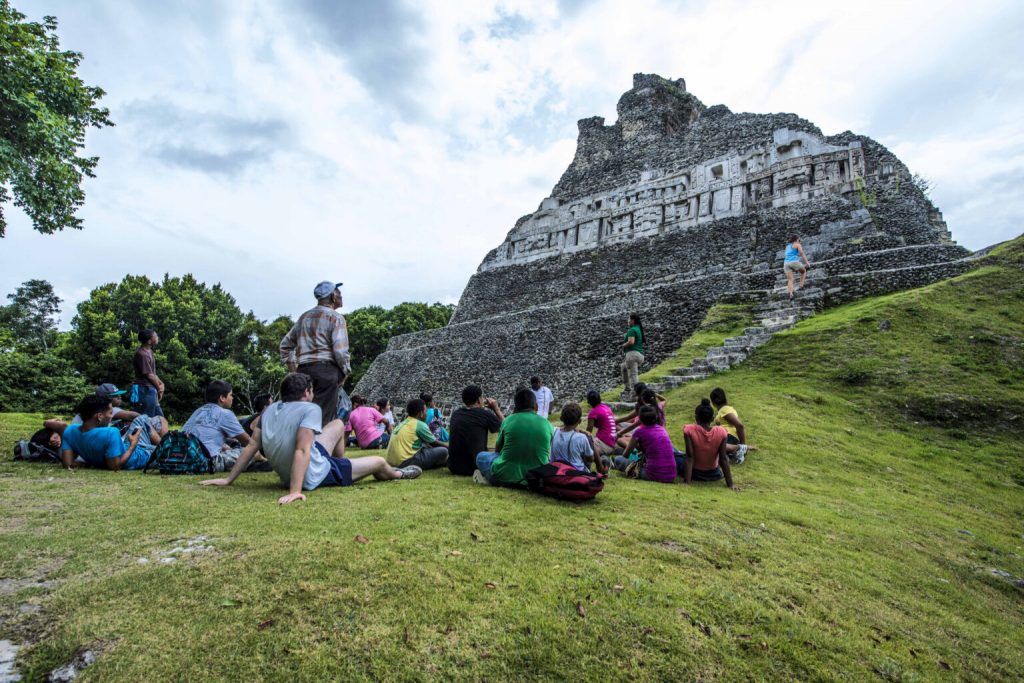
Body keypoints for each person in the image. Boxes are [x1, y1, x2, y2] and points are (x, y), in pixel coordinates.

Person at [200, 373, 421, 505]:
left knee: (336, 424)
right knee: (380, 463)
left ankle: (343, 465)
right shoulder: (310, 409)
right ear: (306, 392)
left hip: (304, 464)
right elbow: (302, 450)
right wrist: (295, 491)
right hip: (314, 473)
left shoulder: (269, 410)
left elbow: (250, 447)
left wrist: (229, 480)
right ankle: (399, 474)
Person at [279, 281, 351, 426]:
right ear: (332, 297)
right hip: (327, 371)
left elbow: (285, 346)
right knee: (322, 419)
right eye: (339, 294)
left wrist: (295, 372)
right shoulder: (336, 317)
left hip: (304, 370)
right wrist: (345, 371)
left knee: (302, 417)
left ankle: (301, 447)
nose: (341, 297)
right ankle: (317, 447)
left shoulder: (304, 317)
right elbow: (340, 351)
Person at [54, 394, 167, 470]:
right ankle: (167, 446)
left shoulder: (70, 431)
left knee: (141, 419)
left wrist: (90, 463)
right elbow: (115, 465)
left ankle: (166, 444)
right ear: (99, 416)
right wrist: (133, 444)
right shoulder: (110, 432)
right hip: (140, 455)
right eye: (110, 413)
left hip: (126, 447)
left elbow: (68, 464)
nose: (112, 416)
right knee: (171, 452)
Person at [474, 388, 553, 486]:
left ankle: (487, 478)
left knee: (480, 456)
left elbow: (497, 451)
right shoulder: (547, 424)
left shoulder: (508, 420)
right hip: (535, 479)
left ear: (515, 408)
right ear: (536, 406)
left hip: (504, 477)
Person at [182, 380, 251, 472]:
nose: (232, 398)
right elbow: (248, 441)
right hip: (204, 462)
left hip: (184, 457)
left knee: (227, 446)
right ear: (222, 398)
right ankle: (263, 462)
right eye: (231, 395)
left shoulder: (198, 411)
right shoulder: (225, 413)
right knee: (251, 452)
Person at [678, 399, 737, 490]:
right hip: (714, 474)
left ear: (696, 417)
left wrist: (687, 482)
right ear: (712, 418)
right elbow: (723, 458)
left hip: (695, 473)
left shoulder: (689, 430)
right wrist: (731, 484)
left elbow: (690, 457)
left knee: (674, 456)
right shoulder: (721, 432)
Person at [447, 385, 504, 476]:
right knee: (499, 454)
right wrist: (496, 409)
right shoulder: (485, 414)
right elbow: (507, 427)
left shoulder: (456, 414)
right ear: (479, 400)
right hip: (475, 466)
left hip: (454, 467)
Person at [611, 405, 676, 482]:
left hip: (654, 475)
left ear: (640, 419)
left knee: (619, 459)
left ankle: (612, 463)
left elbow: (625, 455)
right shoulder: (661, 429)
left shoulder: (640, 431)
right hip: (671, 475)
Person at [386, 398, 449, 470]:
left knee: (425, 446)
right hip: (405, 462)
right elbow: (434, 443)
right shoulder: (420, 424)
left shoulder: (404, 422)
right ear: (421, 413)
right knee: (443, 451)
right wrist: (452, 449)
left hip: (391, 463)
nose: (427, 413)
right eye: (425, 411)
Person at [551, 402, 605, 474]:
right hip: (575, 473)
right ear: (579, 421)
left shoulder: (553, 431)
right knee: (589, 439)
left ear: (561, 418)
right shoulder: (581, 437)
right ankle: (601, 468)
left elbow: (561, 428)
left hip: (555, 471)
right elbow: (590, 458)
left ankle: (601, 467)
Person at [709, 387, 756, 464]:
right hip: (729, 437)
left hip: (728, 436)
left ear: (713, 402)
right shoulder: (727, 409)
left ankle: (739, 448)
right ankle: (729, 453)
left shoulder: (725, 410)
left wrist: (742, 445)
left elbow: (739, 425)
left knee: (709, 446)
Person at [69, 383, 140, 426]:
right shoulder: (106, 408)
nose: (120, 397)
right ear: (106, 398)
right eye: (116, 395)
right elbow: (134, 416)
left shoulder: (91, 407)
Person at [131, 329, 165, 417]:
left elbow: (153, 373)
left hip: (150, 389)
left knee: (160, 418)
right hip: (143, 390)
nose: (157, 337)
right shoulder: (142, 354)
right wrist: (159, 388)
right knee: (146, 419)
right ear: (149, 341)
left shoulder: (149, 352)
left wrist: (161, 384)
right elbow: (149, 375)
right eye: (155, 336)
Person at [585, 390, 617, 458]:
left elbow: (588, 432)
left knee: (583, 448)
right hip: (612, 442)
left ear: (589, 401)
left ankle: (603, 459)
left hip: (604, 443)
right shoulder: (606, 407)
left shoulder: (593, 412)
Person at [620, 312, 646, 395]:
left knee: (633, 375)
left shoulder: (632, 330)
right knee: (623, 367)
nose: (627, 321)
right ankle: (627, 388)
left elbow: (631, 342)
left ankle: (636, 394)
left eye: (629, 319)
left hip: (632, 355)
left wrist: (623, 345)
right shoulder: (638, 329)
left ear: (632, 320)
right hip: (640, 355)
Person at [784, 234, 811, 300]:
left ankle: (791, 294)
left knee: (790, 280)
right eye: (799, 239)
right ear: (797, 239)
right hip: (794, 262)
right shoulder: (797, 244)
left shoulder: (787, 246)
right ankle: (801, 286)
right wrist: (807, 262)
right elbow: (801, 253)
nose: (799, 240)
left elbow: (789, 254)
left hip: (786, 264)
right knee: (803, 271)